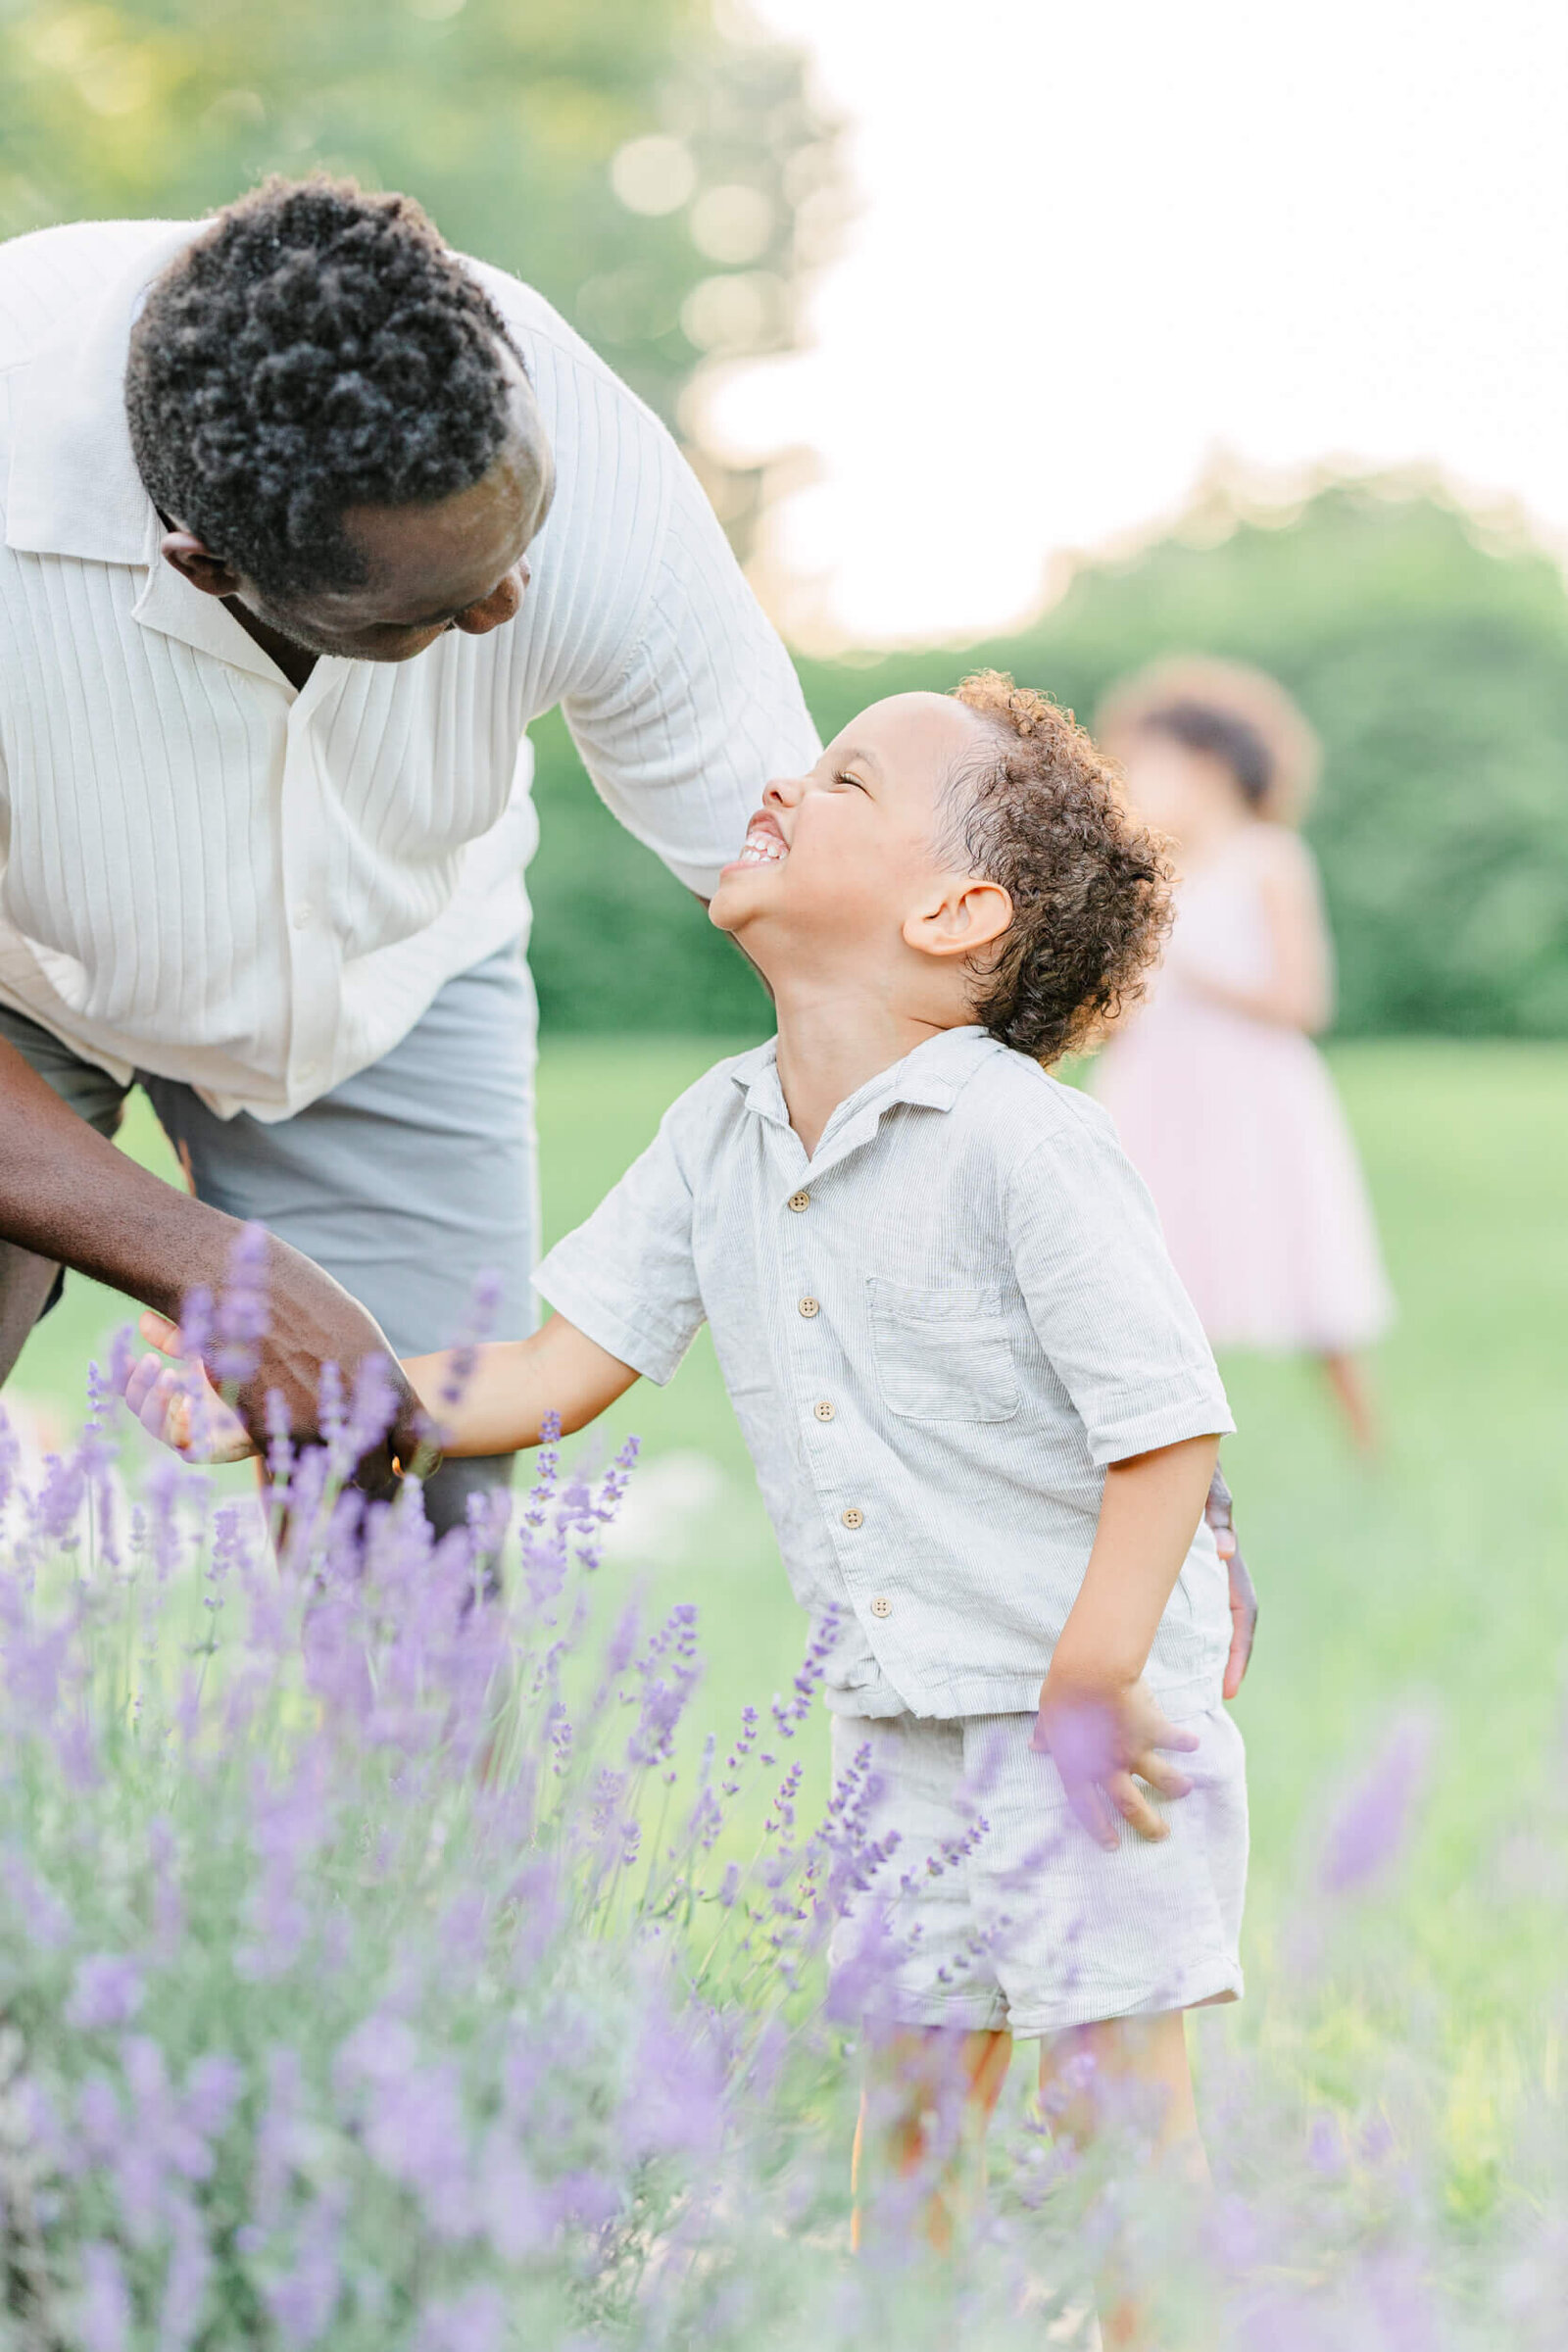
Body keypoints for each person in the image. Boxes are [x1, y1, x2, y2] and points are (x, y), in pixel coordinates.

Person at [129, 673, 1247, 2340]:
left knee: (1109, 2112)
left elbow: (1165, 1431)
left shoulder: (1025, 1148)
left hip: (1083, 1717)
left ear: (957, 911)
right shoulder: (721, 1129)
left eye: (848, 778)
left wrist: (1098, 1670)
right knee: (916, 2101)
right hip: (897, 1713)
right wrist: (278, 1385)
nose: (786, 783)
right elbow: (546, 1374)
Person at [0, 173, 818, 1526]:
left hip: (397, 973)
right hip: (18, 983)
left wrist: (1084, 1363)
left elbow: (844, 925)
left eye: (520, 542)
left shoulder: (591, 463)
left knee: (416, 1548)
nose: (507, 605)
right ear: (210, 567)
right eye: (425, 614)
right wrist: (213, 1269)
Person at [1092, 660, 1394, 1454]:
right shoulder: (1145, 874)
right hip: (1159, 1090)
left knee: (1297, 1255)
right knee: (1161, 1264)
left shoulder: (1269, 858)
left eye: (1146, 767)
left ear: (1208, 769)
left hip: (1251, 1091)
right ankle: (1171, 1456)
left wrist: (1196, 970)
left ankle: (1368, 1452)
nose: (1132, 785)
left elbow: (1304, 1001)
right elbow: (1121, 1013)